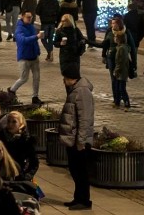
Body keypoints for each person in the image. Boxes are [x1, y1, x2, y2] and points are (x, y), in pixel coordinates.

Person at [59, 63, 95, 211]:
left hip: (79, 141)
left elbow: (84, 119)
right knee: (75, 169)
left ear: (71, 79)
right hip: (73, 138)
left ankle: (84, 200)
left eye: (65, 78)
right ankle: (78, 197)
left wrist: (81, 141)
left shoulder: (82, 92)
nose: (63, 81)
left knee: (81, 171)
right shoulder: (75, 90)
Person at [7, 10, 44, 106]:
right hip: (24, 57)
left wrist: (38, 51)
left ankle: (35, 97)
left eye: (31, 17)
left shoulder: (31, 27)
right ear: (22, 17)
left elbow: (35, 41)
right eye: (28, 17)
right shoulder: (19, 28)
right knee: (24, 78)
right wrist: (36, 37)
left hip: (34, 57)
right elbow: (23, 40)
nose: (30, 19)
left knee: (36, 78)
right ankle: (11, 90)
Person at [0, 110, 39, 183]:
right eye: (8, 121)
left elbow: (34, 163)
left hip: (20, 179)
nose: (10, 124)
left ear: (21, 124)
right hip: (3, 177)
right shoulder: (1, 138)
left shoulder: (26, 141)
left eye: (14, 122)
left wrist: (26, 177)